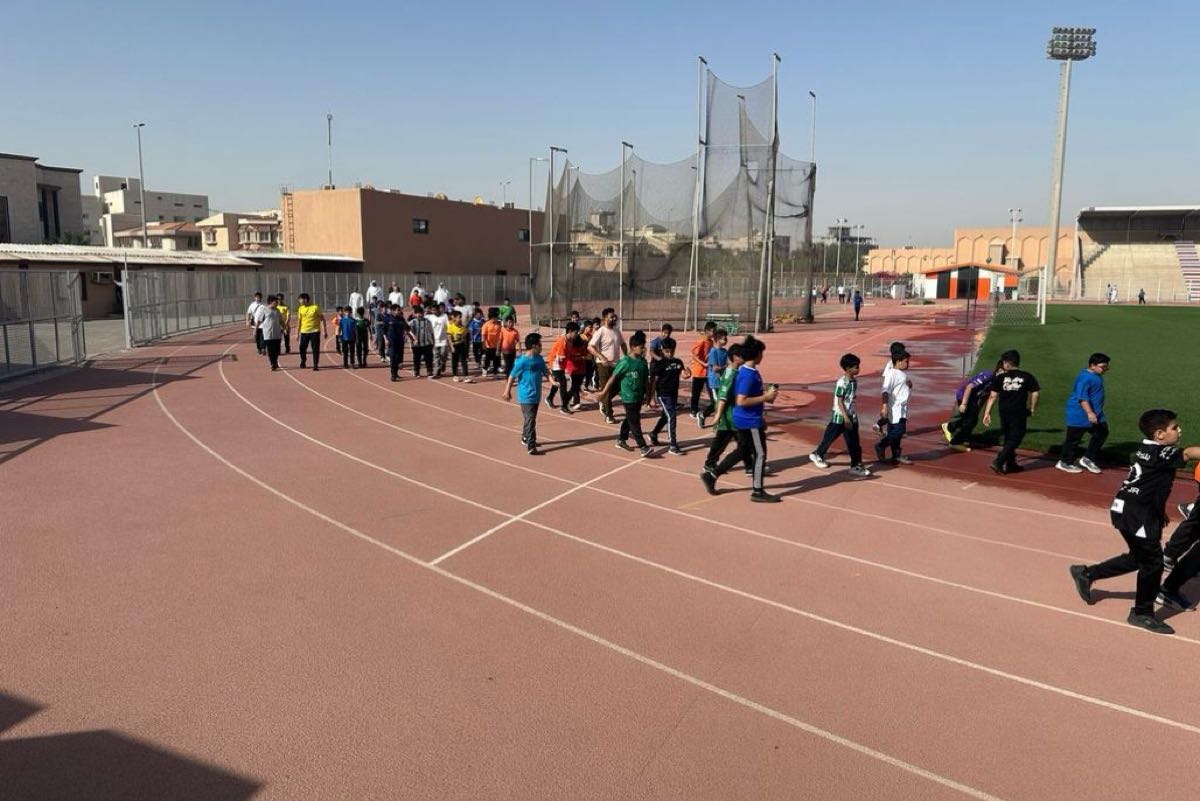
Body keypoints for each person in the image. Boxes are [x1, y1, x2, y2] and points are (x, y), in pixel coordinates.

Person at [1069, 409, 1200, 634]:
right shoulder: (1162, 453)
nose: (1179, 430)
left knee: (1140, 557)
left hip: (1129, 508)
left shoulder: (1146, 449)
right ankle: (1142, 613)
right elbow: (1189, 453)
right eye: (1174, 428)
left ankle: (1087, 573)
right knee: (1153, 563)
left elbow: (1149, 484)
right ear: (1159, 434)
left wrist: (1158, 511)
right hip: (1138, 514)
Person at [701, 336, 780, 502]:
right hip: (749, 421)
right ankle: (758, 491)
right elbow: (741, 401)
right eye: (761, 353)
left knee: (743, 450)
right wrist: (765, 398)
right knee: (760, 454)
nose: (763, 356)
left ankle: (711, 475)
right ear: (756, 354)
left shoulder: (748, 372)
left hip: (747, 418)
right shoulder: (747, 375)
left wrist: (766, 398)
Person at [809, 353, 871, 476]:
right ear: (848, 368)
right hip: (840, 416)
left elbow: (850, 397)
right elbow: (839, 401)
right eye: (856, 367)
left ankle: (855, 465)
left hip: (851, 414)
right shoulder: (842, 382)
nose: (858, 369)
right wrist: (846, 418)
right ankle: (818, 454)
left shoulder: (854, 381)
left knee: (854, 442)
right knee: (830, 437)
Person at [981, 349, 1040, 475]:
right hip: (1018, 412)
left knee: (1008, 437)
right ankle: (999, 461)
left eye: (1003, 362)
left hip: (1004, 411)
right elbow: (1035, 392)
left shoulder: (1000, 377)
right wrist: (1032, 408)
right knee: (1016, 437)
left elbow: (993, 396)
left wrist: (987, 413)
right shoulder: (1027, 376)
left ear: (1008, 363)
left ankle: (1011, 464)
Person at [1055, 353, 1110, 475]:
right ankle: (1064, 462)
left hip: (1096, 414)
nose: (1106, 369)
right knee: (1073, 439)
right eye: (1103, 367)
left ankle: (1088, 459)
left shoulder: (1096, 375)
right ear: (1093, 365)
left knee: (1101, 433)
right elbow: (1082, 398)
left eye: (1107, 367)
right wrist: (1090, 413)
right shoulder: (1084, 378)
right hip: (1080, 415)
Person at [602, 330, 654, 457]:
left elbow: (645, 381)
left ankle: (621, 439)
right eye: (641, 347)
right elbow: (613, 378)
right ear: (632, 347)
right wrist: (604, 392)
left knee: (630, 418)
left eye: (643, 347)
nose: (643, 349)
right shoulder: (625, 362)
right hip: (628, 397)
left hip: (638, 396)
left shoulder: (642, 362)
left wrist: (648, 396)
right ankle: (643, 446)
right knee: (635, 422)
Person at [703, 343, 747, 476]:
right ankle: (710, 463)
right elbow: (722, 397)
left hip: (734, 414)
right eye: (743, 355)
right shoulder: (730, 375)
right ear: (736, 357)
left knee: (743, 442)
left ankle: (750, 465)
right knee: (722, 441)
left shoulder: (734, 372)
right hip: (728, 415)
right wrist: (718, 415)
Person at [942, 359, 1004, 453]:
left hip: (973, 398)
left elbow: (986, 397)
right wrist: (964, 404)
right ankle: (955, 441)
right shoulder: (988, 376)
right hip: (964, 395)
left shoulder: (997, 383)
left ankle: (951, 429)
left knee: (971, 419)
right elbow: (969, 387)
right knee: (970, 420)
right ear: (1000, 370)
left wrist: (981, 411)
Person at [504, 333, 551, 455]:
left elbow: (546, 372)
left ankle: (525, 437)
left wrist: (553, 381)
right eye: (540, 344)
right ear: (534, 346)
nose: (541, 346)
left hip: (536, 394)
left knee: (530, 418)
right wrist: (507, 391)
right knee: (530, 419)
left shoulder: (539, 359)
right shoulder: (522, 361)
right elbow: (512, 376)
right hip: (525, 395)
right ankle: (531, 445)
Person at [648, 336, 688, 454]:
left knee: (666, 416)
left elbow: (684, 374)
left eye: (671, 351)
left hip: (673, 393)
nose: (669, 354)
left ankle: (653, 433)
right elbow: (654, 381)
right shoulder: (659, 364)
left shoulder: (678, 362)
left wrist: (687, 374)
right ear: (662, 350)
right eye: (667, 351)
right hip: (663, 394)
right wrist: (652, 398)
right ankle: (673, 445)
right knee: (672, 416)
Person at [588, 308, 626, 424]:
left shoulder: (617, 331)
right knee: (607, 389)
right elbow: (590, 347)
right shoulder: (601, 331)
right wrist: (602, 357)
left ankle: (603, 399)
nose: (614, 318)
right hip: (603, 365)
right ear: (605, 318)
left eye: (614, 316)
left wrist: (627, 357)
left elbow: (623, 344)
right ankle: (609, 415)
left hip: (616, 365)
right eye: (611, 317)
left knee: (619, 387)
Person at [876, 351, 912, 465]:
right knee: (899, 431)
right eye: (906, 361)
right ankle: (881, 445)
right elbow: (885, 391)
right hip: (895, 408)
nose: (908, 363)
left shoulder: (901, 374)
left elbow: (905, 385)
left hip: (902, 408)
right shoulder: (891, 374)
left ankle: (896, 455)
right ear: (898, 361)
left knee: (895, 432)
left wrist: (909, 384)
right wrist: (884, 407)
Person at [689, 322, 717, 427]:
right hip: (699, 371)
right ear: (707, 331)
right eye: (713, 331)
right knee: (696, 392)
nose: (714, 333)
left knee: (712, 393)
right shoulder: (701, 341)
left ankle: (705, 412)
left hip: (708, 372)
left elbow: (708, 355)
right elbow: (695, 356)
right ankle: (693, 410)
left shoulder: (711, 342)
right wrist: (704, 363)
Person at [545, 323, 576, 413]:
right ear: (570, 332)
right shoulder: (563, 341)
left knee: (557, 382)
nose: (577, 334)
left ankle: (550, 398)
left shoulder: (570, 340)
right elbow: (561, 356)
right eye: (575, 332)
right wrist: (566, 358)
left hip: (561, 364)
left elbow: (568, 354)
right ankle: (564, 407)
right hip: (555, 363)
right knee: (563, 383)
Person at [295, 293, 326, 371]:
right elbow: (299, 321)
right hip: (304, 332)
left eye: (300, 299)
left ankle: (315, 364)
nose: (299, 301)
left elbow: (322, 319)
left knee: (315, 348)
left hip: (315, 331)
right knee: (302, 348)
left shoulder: (315, 307)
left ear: (305, 299)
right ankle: (303, 360)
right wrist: (297, 333)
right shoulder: (300, 309)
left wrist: (324, 331)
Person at [384, 303, 412, 382]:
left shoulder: (401, 318)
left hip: (400, 341)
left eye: (399, 310)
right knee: (393, 358)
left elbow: (407, 328)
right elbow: (384, 331)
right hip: (392, 341)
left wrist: (410, 336)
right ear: (393, 311)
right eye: (398, 310)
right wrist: (386, 339)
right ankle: (393, 375)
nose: (399, 311)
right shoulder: (388, 319)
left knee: (398, 359)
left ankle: (396, 373)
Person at [705, 328, 729, 413]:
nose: (726, 340)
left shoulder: (725, 351)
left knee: (722, 401)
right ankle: (703, 415)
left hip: (722, 380)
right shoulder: (713, 351)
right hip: (714, 381)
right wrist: (725, 366)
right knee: (716, 403)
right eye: (724, 339)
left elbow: (728, 363)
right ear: (718, 339)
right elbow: (715, 369)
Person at [409, 305, 435, 378]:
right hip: (416, 345)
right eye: (417, 313)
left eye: (420, 313)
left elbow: (431, 332)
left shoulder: (427, 321)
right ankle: (416, 371)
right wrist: (411, 342)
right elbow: (409, 333)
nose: (419, 315)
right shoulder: (412, 322)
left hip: (427, 343)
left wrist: (433, 342)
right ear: (414, 314)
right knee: (416, 359)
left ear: (423, 313)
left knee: (429, 358)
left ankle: (429, 371)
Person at [259, 295, 284, 371]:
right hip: (268, 334)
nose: (277, 303)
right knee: (270, 350)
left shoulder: (277, 310)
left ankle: (275, 361)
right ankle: (272, 364)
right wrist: (255, 330)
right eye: (275, 302)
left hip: (277, 334)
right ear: (270, 302)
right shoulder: (264, 310)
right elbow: (259, 321)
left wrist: (285, 328)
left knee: (277, 350)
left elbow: (281, 321)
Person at [448, 310, 472, 383]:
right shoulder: (451, 327)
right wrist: (452, 347)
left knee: (464, 361)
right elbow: (449, 338)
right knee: (455, 361)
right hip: (454, 346)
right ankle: (455, 375)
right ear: (454, 318)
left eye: (461, 317)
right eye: (459, 317)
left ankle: (466, 376)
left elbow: (465, 337)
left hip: (462, 345)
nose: (460, 319)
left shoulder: (463, 327)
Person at [429, 303, 450, 378]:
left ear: (438, 310)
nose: (433, 311)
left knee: (443, 354)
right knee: (436, 356)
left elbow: (448, 326)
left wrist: (449, 336)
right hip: (434, 340)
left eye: (434, 310)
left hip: (443, 339)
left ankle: (443, 364)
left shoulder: (444, 316)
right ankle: (437, 371)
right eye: (432, 310)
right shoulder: (430, 317)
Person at [481, 309, 503, 376]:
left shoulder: (498, 325)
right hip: (488, 345)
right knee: (487, 359)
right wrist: (484, 344)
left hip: (496, 345)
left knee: (496, 359)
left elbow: (500, 334)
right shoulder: (486, 325)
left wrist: (500, 344)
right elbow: (483, 335)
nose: (497, 318)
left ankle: (495, 372)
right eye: (496, 317)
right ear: (492, 317)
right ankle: (485, 369)